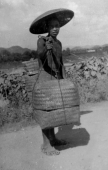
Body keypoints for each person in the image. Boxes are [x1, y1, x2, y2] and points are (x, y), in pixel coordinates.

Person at [37, 17, 67, 156]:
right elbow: (40, 56)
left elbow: (61, 62)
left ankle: (53, 139)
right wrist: (45, 50)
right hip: (45, 78)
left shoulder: (59, 43)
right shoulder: (42, 40)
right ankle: (46, 145)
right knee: (46, 113)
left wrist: (63, 79)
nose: (55, 28)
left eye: (57, 25)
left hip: (56, 79)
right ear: (47, 28)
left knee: (54, 111)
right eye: (52, 26)